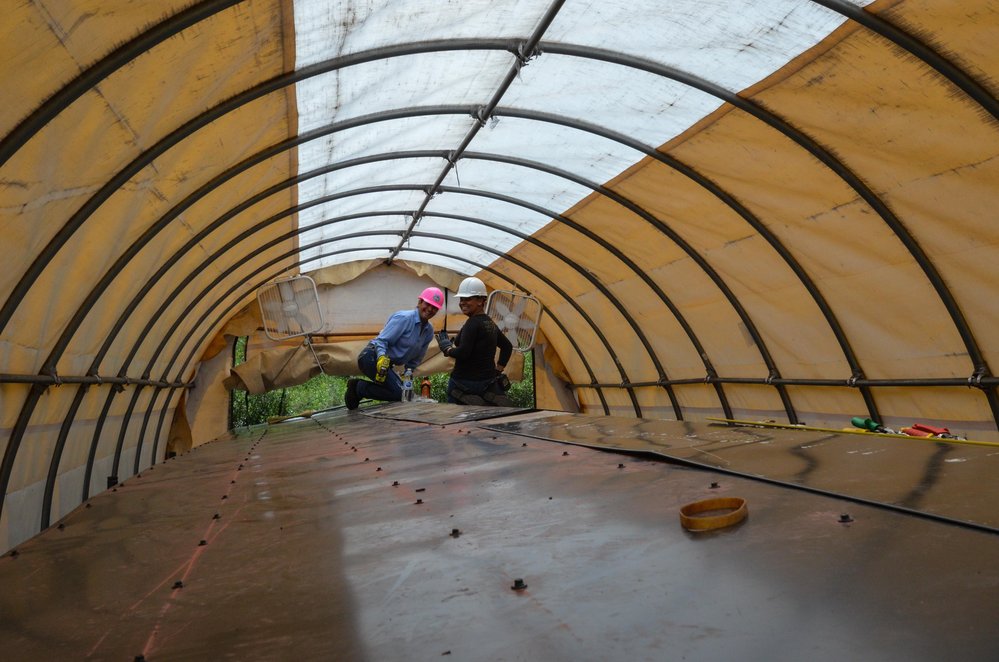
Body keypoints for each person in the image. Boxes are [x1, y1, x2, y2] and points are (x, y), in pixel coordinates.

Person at [345, 286, 444, 410]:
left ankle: (359, 388)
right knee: (399, 394)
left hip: (387, 364)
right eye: (427, 304)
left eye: (434, 308)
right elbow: (381, 341)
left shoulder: (428, 331)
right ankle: (358, 387)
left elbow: (417, 357)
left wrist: (409, 372)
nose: (430, 309)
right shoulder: (404, 318)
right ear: (419, 302)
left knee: (404, 394)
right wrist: (381, 357)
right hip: (372, 357)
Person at [435, 277, 514, 405]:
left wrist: (447, 350)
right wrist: (498, 369)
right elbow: (507, 346)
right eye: (461, 299)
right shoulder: (489, 323)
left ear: (481, 301)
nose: (462, 303)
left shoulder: (472, 323)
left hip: (463, 384)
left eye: (468, 299)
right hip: (488, 383)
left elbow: (463, 353)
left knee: (459, 422)